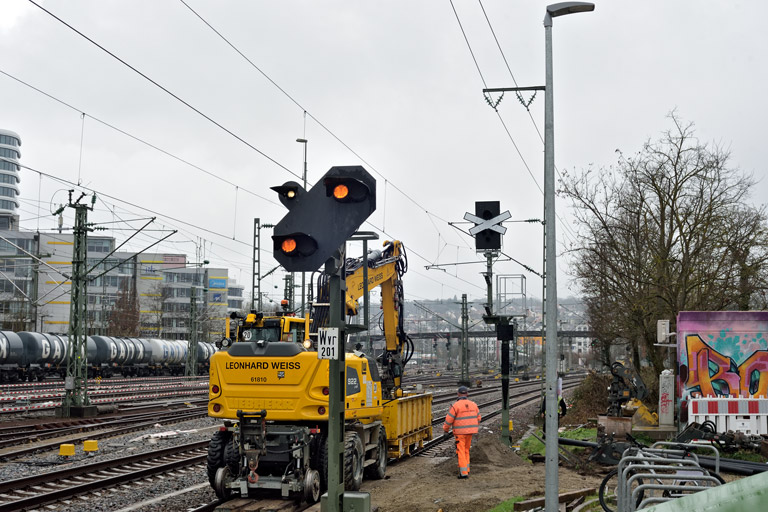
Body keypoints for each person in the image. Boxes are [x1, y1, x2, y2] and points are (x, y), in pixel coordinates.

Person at [443, 385, 481, 479]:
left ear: (458, 394)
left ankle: (463, 473)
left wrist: (446, 431)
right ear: (467, 394)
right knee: (466, 450)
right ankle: (467, 470)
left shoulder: (455, 406)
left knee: (460, 451)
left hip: (460, 433)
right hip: (470, 432)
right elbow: (479, 418)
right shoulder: (473, 404)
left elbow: (449, 420)